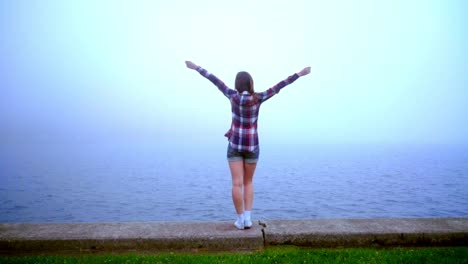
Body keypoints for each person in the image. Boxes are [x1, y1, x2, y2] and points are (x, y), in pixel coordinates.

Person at [185, 61, 311, 229]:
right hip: (252, 147)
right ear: (251, 83)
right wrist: (299, 73)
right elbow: (280, 85)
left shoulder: (231, 95)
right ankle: (248, 219)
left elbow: (214, 80)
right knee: (248, 182)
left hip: (235, 145)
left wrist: (196, 67)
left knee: (236, 183)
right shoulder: (258, 98)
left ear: (237, 84)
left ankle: (240, 220)